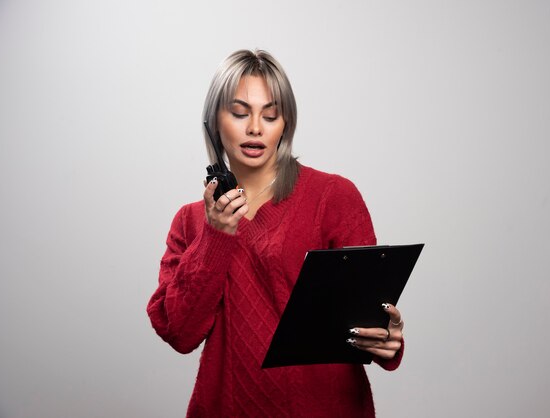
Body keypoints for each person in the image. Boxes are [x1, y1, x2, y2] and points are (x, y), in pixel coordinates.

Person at [147, 49, 405, 417]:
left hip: (324, 407)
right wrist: (215, 235)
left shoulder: (333, 197)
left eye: (270, 115)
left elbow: (365, 316)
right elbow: (179, 333)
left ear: (286, 124)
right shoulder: (190, 222)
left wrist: (388, 338)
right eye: (239, 113)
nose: (255, 128)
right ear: (213, 122)